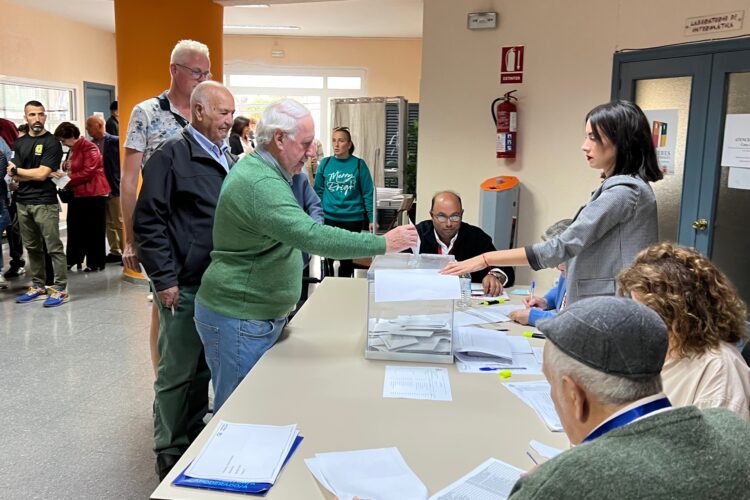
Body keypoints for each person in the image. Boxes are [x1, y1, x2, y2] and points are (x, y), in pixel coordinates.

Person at [194, 99, 417, 412]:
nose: (313, 152)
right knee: (238, 412)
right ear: (280, 140)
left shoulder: (269, 171)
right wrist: (383, 244)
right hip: (239, 316)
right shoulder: (260, 183)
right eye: (307, 144)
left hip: (255, 314)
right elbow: (312, 236)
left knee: (258, 406)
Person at [508, 296, 750, 499]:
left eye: (550, 383)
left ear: (574, 395)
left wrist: (542, 483)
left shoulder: (558, 487)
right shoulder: (733, 428)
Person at [442, 101, 663, 305]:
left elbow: (561, 246)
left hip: (612, 307)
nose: (584, 146)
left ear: (620, 141)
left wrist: (485, 259)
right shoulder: (621, 188)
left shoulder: (624, 192)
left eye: (593, 137)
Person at [134, 81, 237, 481]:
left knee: (201, 368)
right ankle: (168, 445)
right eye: (222, 112)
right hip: (183, 283)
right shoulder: (170, 156)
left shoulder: (228, 155)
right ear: (197, 112)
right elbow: (148, 222)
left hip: (217, 283)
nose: (229, 120)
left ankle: (194, 429)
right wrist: (164, 279)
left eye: (231, 112)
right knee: (176, 370)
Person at [122, 39, 211, 375]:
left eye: (207, 73)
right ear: (175, 70)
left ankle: (198, 386)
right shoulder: (147, 113)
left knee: (204, 305)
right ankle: (164, 388)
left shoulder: (207, 112)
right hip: (163, 230)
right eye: (196, 72)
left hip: (203, 231)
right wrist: (130, 238)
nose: (202, 79)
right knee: (164, 307)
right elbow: (129, 180)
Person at [618, 242, 750, 420]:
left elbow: (719, 445)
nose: (636, 317)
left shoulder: (719, 369)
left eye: (644, 307)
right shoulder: (655, 351)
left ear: (677, 311)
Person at [6, 100, 68, 307]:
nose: (37, 119)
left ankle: (60, 289)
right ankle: (38, 285)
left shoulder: (52, 143)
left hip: (45, 202)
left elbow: (42, 175)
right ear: (26, 118)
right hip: (22, 202)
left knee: (53, 247)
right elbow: (12, 173)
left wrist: (18, 172)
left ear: (45, 117)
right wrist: (19, 173)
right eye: (32, 115)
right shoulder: (19, 143)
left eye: (41, 114)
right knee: (32, 247)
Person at [416, 191, 514, 296]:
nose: (448, 224)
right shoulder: (416, 235)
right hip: (425, 298)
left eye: (454, 217)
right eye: (442, 217)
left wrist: (495, 276)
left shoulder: (476, 237)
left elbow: (506, 269)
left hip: (466, 303)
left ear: (462, 214)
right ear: (431, 215)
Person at [314, 126, 375, 278]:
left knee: (346, 260)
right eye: (334, 140)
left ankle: (343, 288)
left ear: (349, 144)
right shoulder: (325, 163)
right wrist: (316, 215)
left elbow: (368, 193)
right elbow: (317, 192)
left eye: (341, 141)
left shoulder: (359, 165)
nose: (336, 144)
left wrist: (372, 218)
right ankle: (328, 287)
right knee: (328, 257)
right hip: (329, 217)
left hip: (352, 218)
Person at [53, 122, 110, 272]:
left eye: (63, 140)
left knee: (94, 230)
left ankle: (95, 262)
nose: (63, 143)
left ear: (71, 137)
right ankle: (73, 259)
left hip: (93, 194)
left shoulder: (89, 147)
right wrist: (65, 169)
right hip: (78, 193)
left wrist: (66, 180)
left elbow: (88, 171)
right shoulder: (73, 149)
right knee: (75, 228)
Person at [508, 219, 572, 325]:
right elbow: (560, 291)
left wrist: (534, 317)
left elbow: (574, 321)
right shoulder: (566, 272)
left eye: (558, 258)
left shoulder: (592, 281)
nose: (553, 266)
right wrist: (545, 302)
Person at [85, 115, 123, 263]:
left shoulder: (115, 141)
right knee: (108, 222)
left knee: (119, 222)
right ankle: (114, 251)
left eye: (90, 126)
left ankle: (126, 251)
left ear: (99, 125)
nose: (87, 129)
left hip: (114, 187)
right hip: (99, 190)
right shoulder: (91, 144)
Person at [1, 119, 25, 279]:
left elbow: (8, 163)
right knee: (13, 229)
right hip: (8, 190)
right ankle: (17, 261)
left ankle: (17, 261)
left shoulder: (4, 136)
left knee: (13, 229)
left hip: (9, 191)